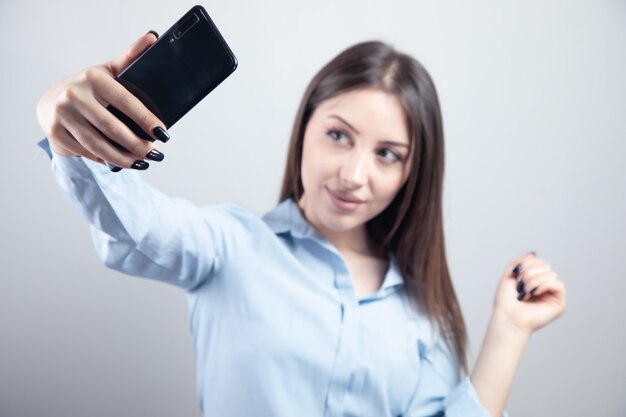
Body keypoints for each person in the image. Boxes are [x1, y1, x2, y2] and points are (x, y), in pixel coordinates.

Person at [36, 31, 566, 417]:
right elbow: (136, 226)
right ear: (306, 126)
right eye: (339, 135)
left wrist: (510, 328)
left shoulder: (421, 315)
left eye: (388, 154)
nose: (354, 175)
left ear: (412, 171)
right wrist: (67, 128)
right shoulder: (232, 247)